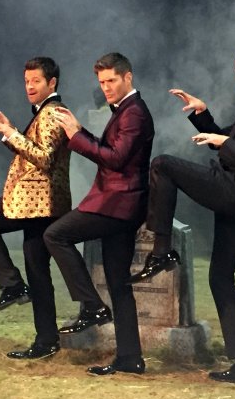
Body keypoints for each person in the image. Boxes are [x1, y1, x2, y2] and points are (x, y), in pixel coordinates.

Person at [128, 43, 235, 388]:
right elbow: (227, 138)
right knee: (220, 279)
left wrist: (224, 142)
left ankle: (161, 251)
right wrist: (201, 114)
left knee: (163, 165)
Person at [45, 52, 154, 376]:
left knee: (55, 235)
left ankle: (92, 306)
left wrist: (76, 136)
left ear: (128, 77)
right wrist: (81, 132)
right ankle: (130, 358)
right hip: (121, 204)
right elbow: (111, 152)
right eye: (102, 82)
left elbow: (116, 159)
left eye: (111, 81)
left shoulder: (134, 113)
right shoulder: (126, 110)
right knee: (118, 283)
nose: (106, 87)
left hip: (118, 204)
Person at [0, 56, 71, 359]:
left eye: (35, 81)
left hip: (37, 202)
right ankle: (46, 340)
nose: (29, 86)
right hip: (36, 203)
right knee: (37, 270)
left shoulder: (52, 112)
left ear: (52, 82)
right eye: (26, 81)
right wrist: (11, 131)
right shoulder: (45, 112)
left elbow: (44, 157)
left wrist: (13, 134)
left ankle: (13, 287)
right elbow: (35, 150)